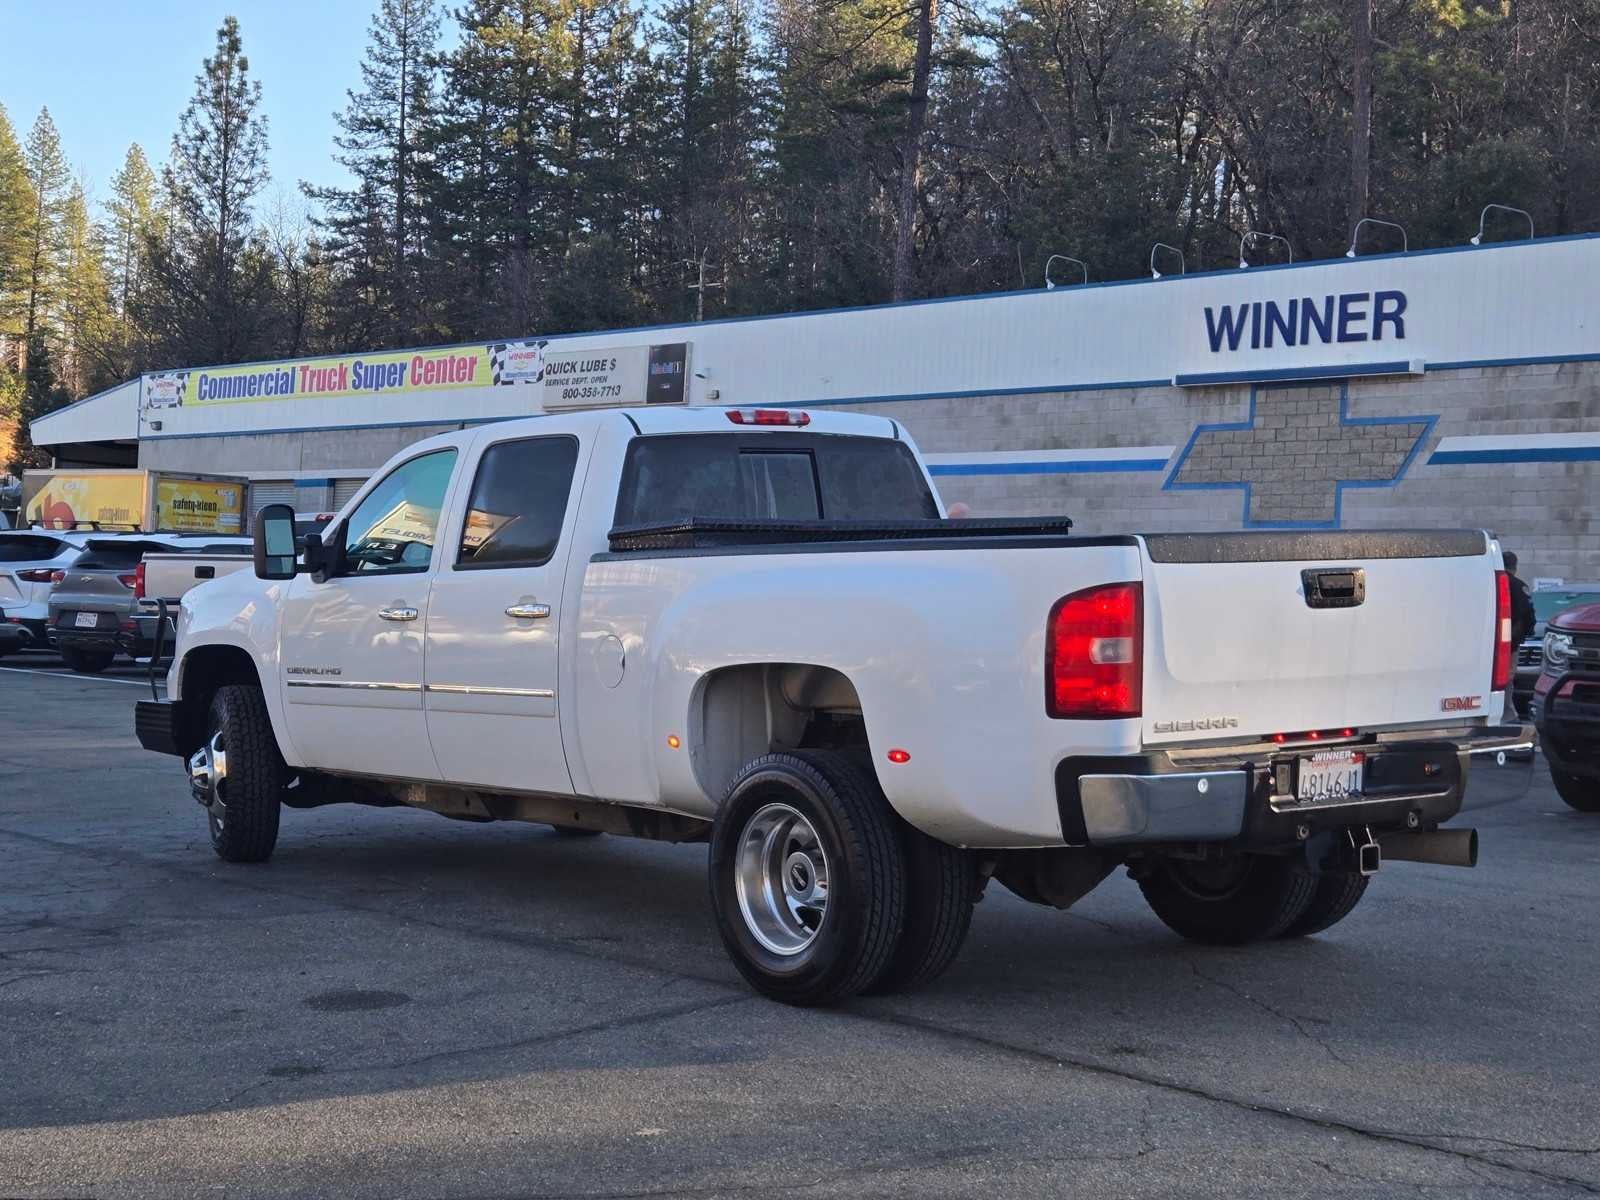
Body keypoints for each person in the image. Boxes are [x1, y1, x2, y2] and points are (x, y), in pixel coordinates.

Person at [1503, 550, 1535, 722]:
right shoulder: (1517, 585)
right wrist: (1517, 639)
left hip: (1485, 643)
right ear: (1514, 567)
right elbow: (1527, 615)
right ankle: (1507, 715)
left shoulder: (1486, 583)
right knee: (1506, 678)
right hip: (1508, 643)